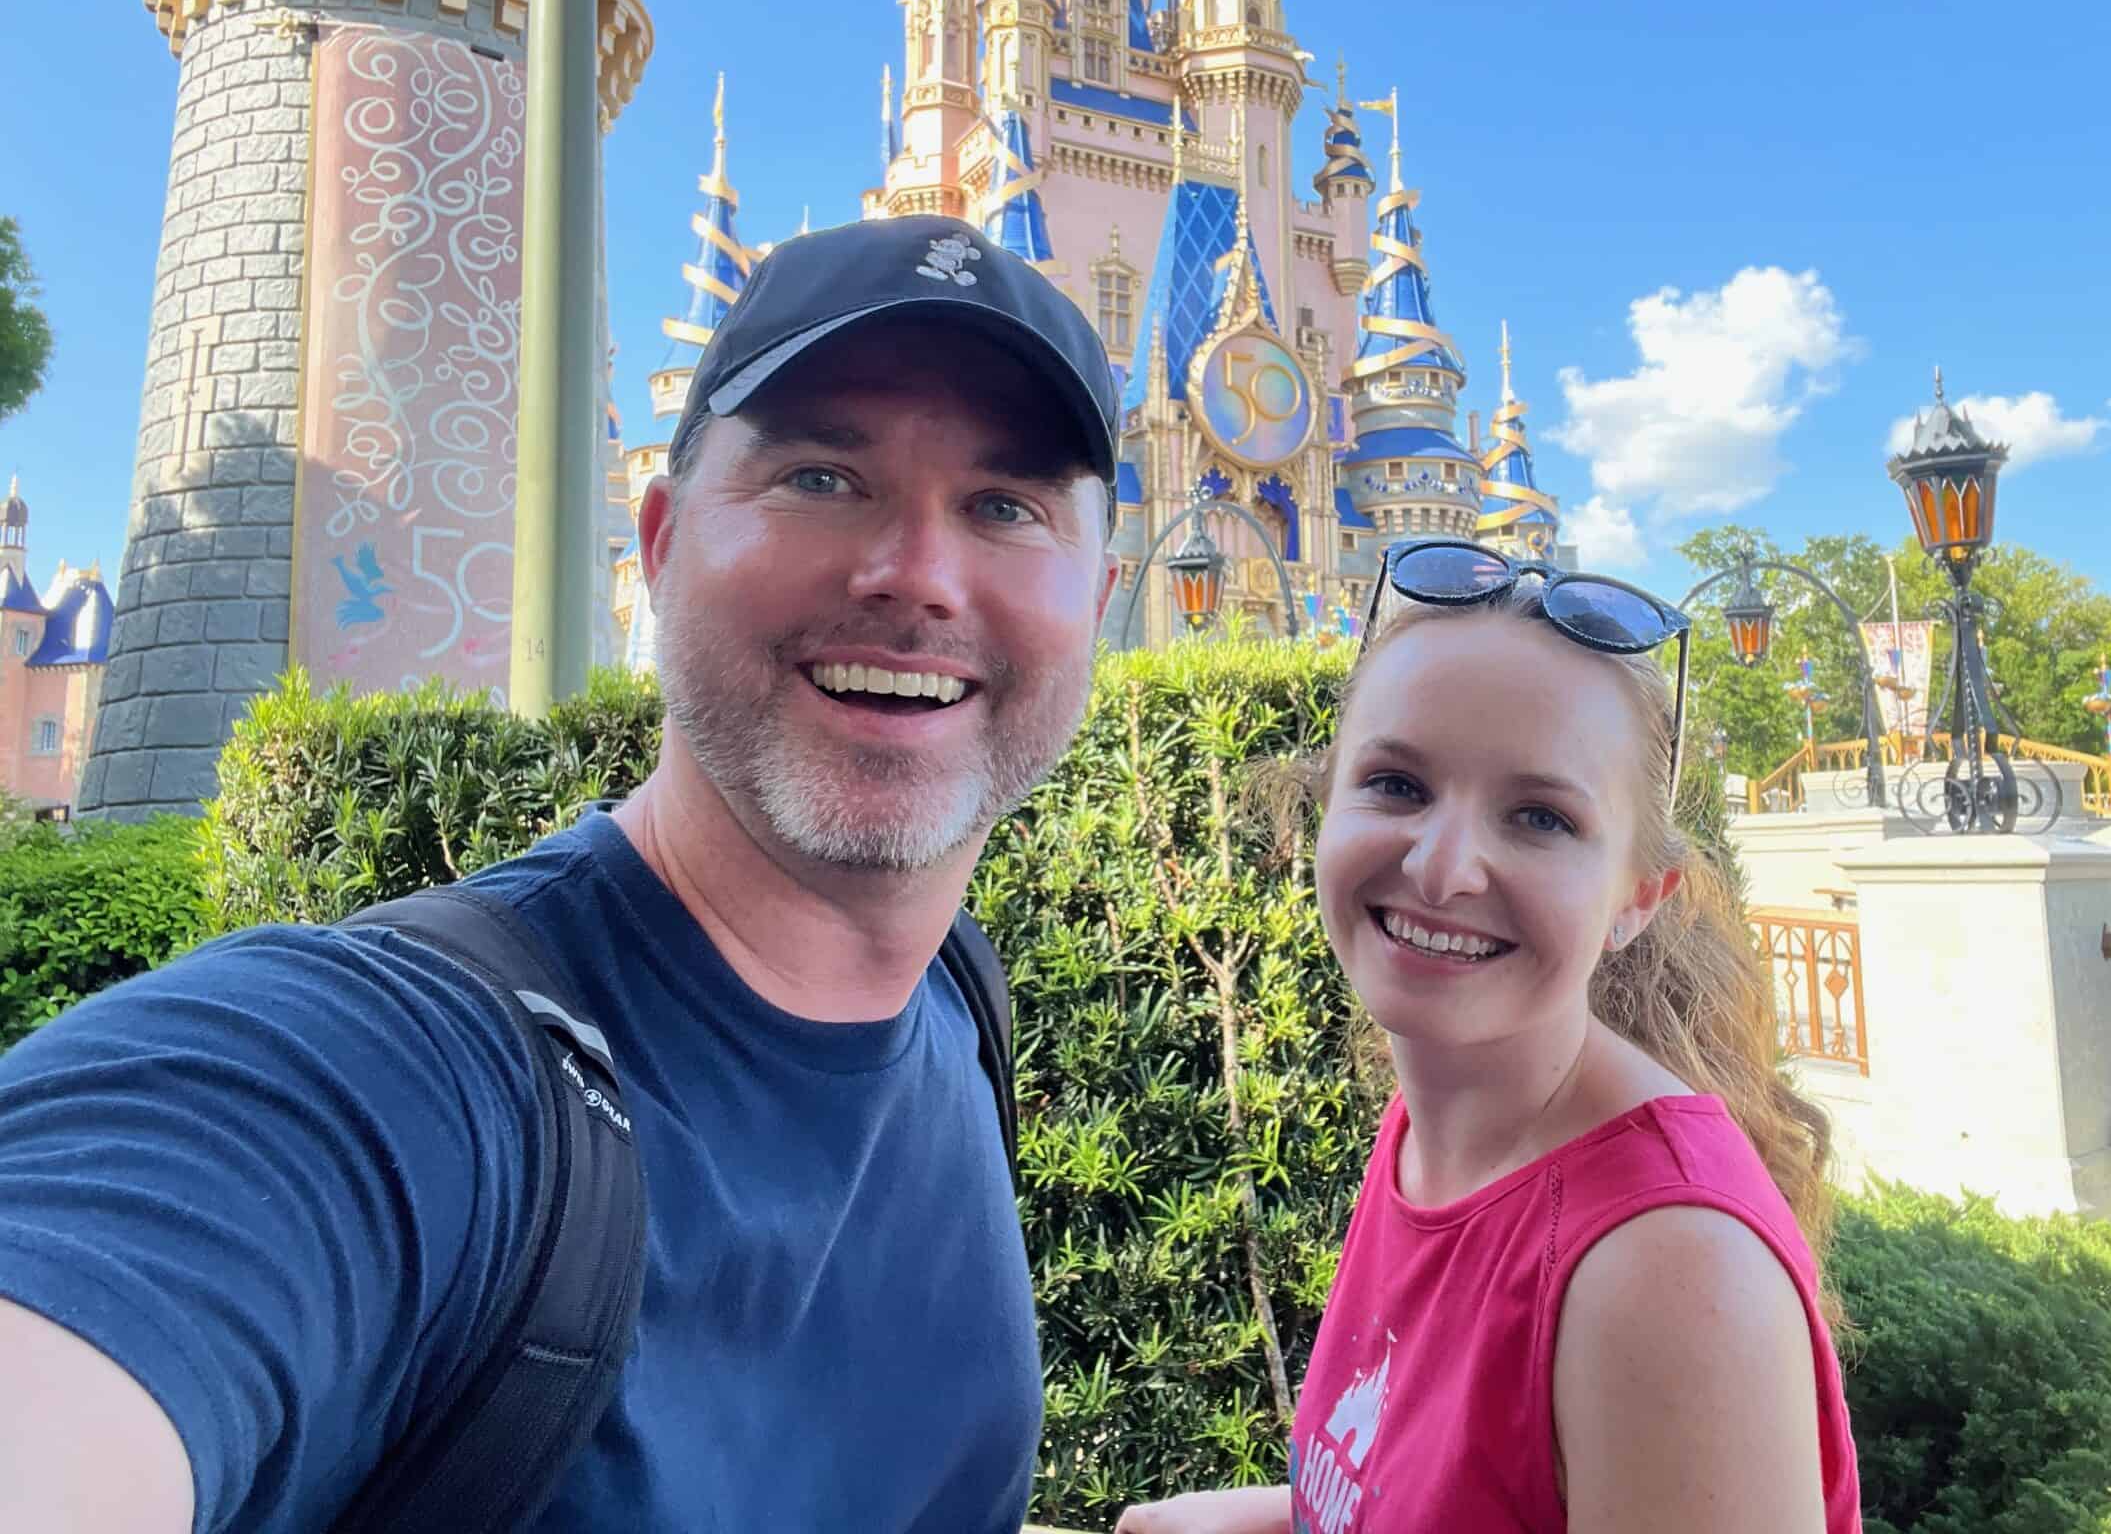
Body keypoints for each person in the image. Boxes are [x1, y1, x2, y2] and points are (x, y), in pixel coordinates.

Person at [0, 216, 1122, 1532]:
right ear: (654, 544)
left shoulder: (954, 1012)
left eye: (1005, 506)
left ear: (1097, 603)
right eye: (823, 477)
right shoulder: (395, 1077)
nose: (915, 577)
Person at [1117, 542, 1860, 1534]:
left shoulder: (1670, 1274)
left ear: (1637, 901)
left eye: (1539, 818)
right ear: (1325, 805)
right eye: (1397, 785)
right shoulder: (1443, 1135)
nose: (1442, 867)